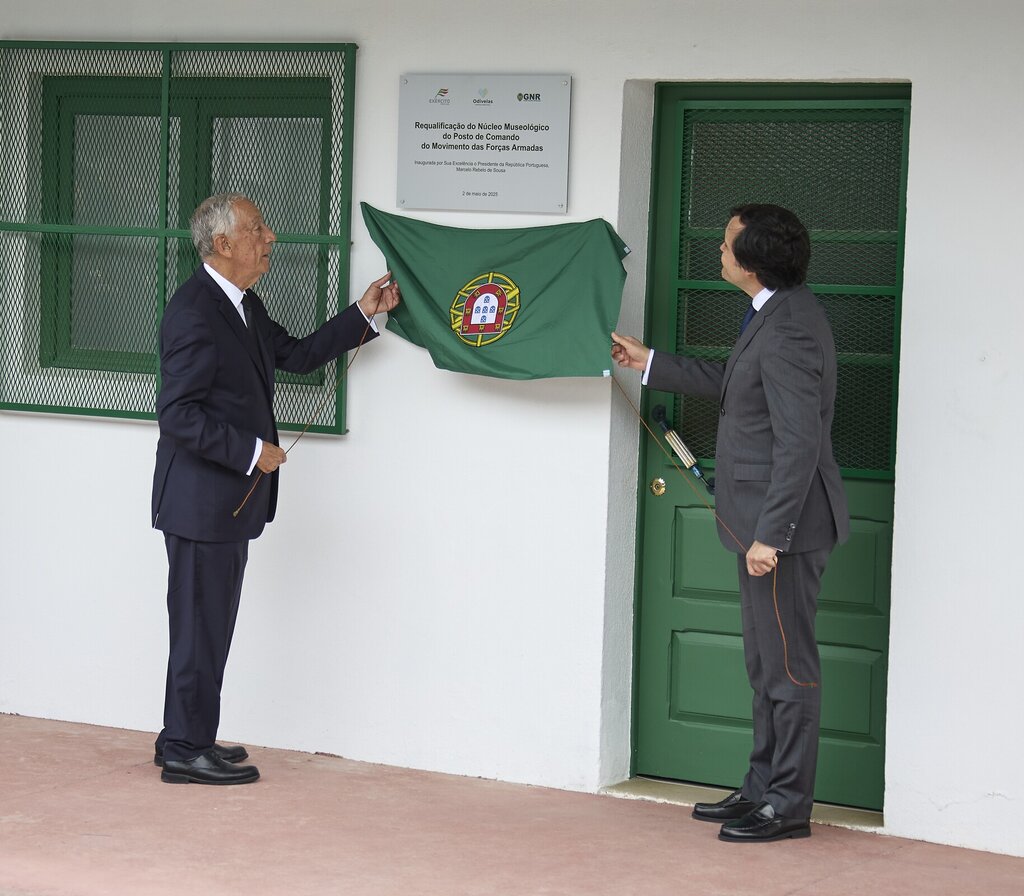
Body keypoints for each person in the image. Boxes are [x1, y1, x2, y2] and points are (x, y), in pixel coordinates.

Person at [611, 204, 848, 842]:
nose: (718, 250)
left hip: (782, 533)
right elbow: (738, 383)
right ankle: (761, 789)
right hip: (759, 526)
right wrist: (649, 361)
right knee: (765, 666)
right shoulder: (774, 310)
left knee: (788, 670)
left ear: (753, 259)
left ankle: (786, 806)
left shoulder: (790, 325)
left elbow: (799, 442)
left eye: (726, 242)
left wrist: (772, 534)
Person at [151, 192, 400, 785]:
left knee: (210, 627)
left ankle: (188, 738)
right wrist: (249, 451)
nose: (271, 238)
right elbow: (177, 414)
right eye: (258, 229)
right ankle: (185, 749)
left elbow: (297, 354)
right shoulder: (193, 311)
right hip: (200, 504)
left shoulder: (242, 304)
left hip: (225, 507)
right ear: (222, 244)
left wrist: (363, 313)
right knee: (200, 629)